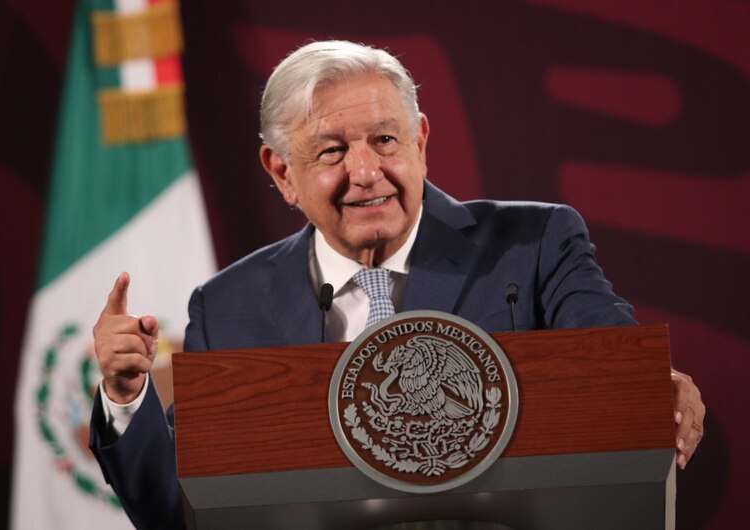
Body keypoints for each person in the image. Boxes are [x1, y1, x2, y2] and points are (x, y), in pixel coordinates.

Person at [90, 40, 705, 530]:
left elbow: (618, 376)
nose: (366, 173)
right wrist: (124, 398)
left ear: (421, 142)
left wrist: (656, 390)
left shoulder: (534, 246)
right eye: (331, 151)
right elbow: (176, 511)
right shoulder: (229, 306)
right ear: (281, 173)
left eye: (385, 140)